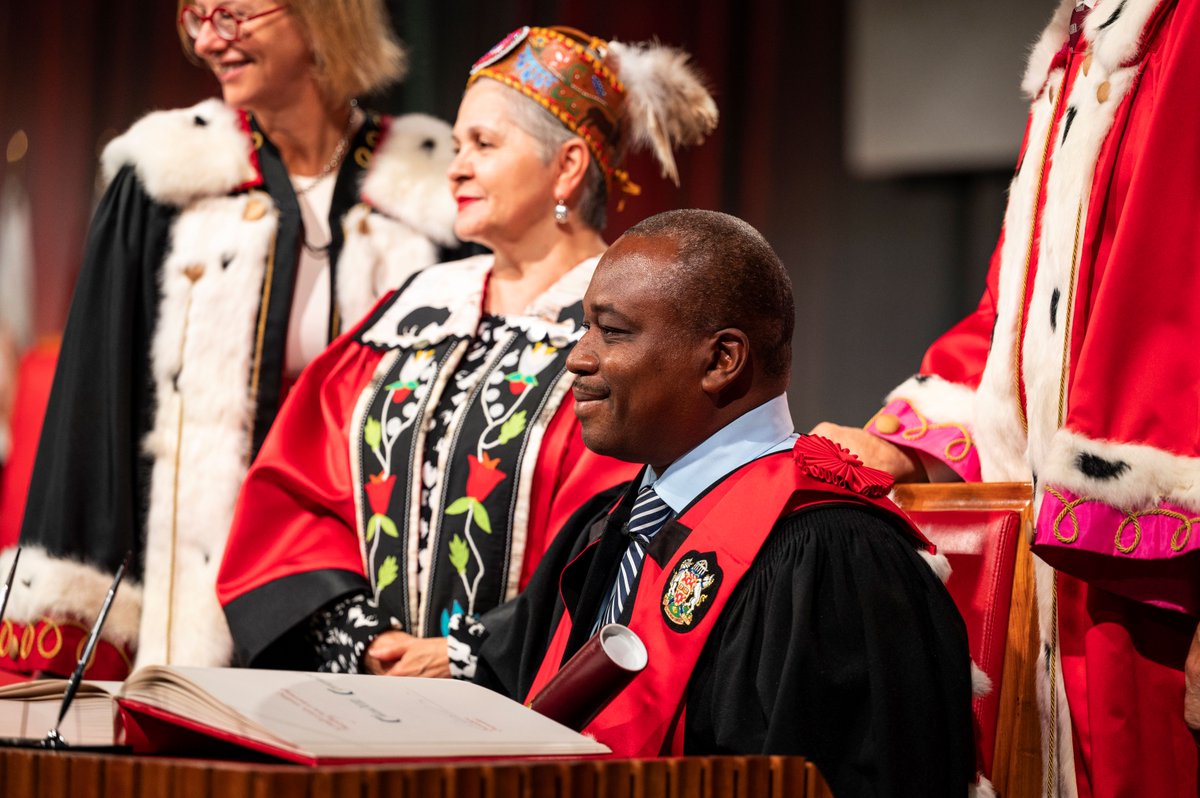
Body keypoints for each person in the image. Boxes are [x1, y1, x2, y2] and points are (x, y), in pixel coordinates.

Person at [216, 26, 719, 677]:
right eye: (455, 146)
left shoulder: (627, 332)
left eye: (483, 144)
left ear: (566, 165)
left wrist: (466, 654)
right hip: (367, 700)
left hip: (529, 720)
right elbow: (297, 496)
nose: (455, 166)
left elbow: (627, 540)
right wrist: (362, 639)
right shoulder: (413, 310)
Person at [443, 209, 976, 796]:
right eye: (585, 328)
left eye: (612, 331)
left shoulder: (834, 553)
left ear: (722, 360)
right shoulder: (605, 528)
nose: (578, 357)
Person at [1, 0, 461, 678]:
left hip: (365, 589)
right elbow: (96, 404)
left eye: (235, 14)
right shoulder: (166, 175)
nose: (212, 40)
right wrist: (80, 612)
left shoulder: (431, 186)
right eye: (196, 17)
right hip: (196, 593)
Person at [814, 1, 1200, 794]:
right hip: (1077, 573)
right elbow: (1016, 320)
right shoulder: (1079, 51)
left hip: (1165, 572)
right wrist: (903, 440)